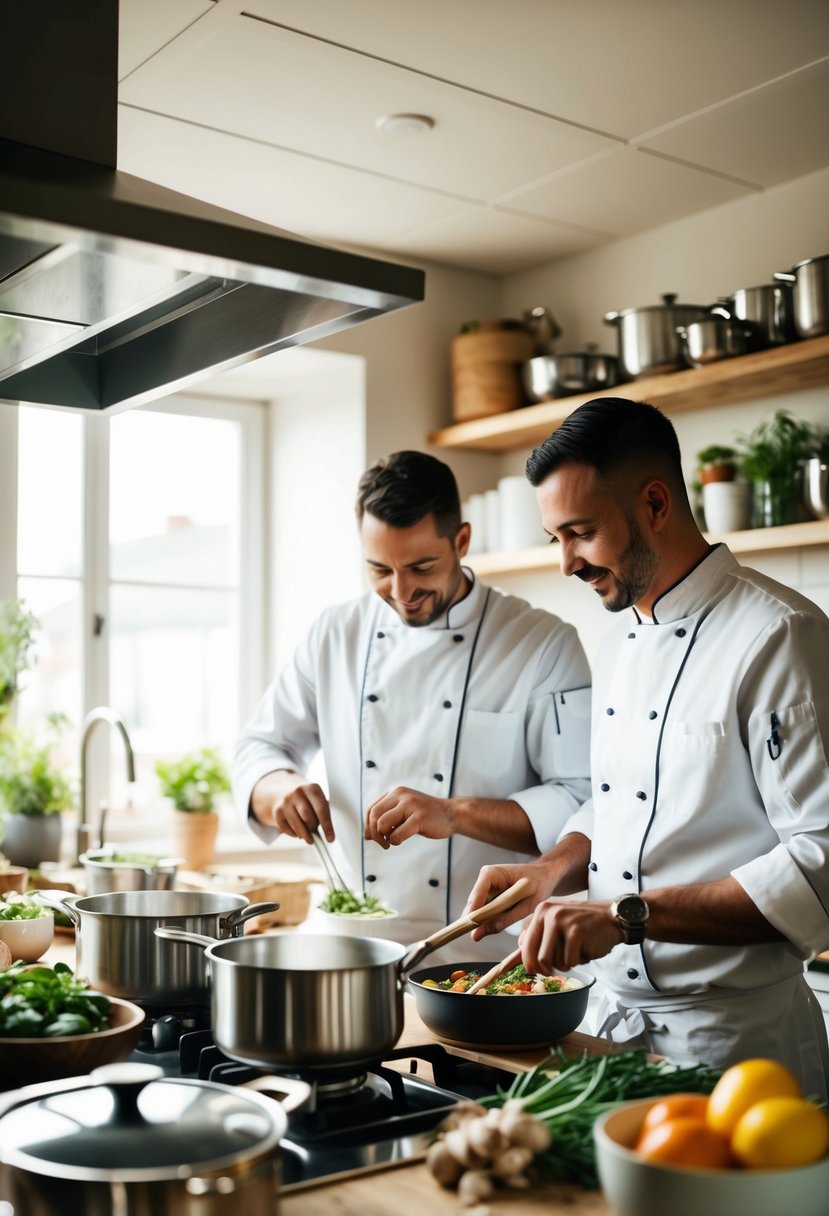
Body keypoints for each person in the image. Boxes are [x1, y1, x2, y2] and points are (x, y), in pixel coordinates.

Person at [464, 397, 829, 1097]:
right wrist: (548, 873)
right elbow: (617, 804)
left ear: (655, 503)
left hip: (736, 1051)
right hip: (607, 1033)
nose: (566, 560)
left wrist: (623, 915)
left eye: (580, 532)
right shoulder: (620, 641)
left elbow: (819, 863)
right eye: (554, 538)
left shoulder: (779, 635)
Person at [233, 450, 591, 961]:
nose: (401, 592)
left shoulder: (540, 643)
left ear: (462, 541)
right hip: (353, 948)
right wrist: (277, 788)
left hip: (482, 955)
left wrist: (453, 812)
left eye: (421, 566)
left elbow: (579, 798)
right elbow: (260, 746)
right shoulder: (336, 633)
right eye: (380, 569)